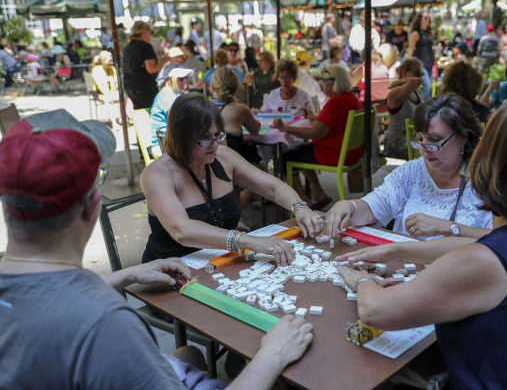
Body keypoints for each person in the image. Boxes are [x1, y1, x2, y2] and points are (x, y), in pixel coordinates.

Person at [0, 108, 314, 390]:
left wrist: (124, 275)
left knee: (189, 355)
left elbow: (45, 298)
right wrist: (271, 356)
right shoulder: (107, 323)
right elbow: (181, 230)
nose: (214, 144)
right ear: (93, 205)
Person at [335, 98, 507, 390]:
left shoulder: (486, 261)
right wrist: (396, 248)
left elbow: (376, 311)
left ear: (489, 162)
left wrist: (362, 280)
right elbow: (464, 248)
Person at [141, 93, 323, 265]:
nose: (214, 144)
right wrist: (250, 241)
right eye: (205, 138)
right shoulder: (156, 174)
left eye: (218, 135)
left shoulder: (223, 157)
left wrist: (300, 207)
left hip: (219, 261)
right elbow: (182, 230)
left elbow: (271, 187)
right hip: (170, 268)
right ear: (181, 137)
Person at [325, 93, 492, 240]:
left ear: (463, 136)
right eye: (420, 139)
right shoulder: (412, 172)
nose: (424, 149)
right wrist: (350, 207)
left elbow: (501, 241)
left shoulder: (487, 182)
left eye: (434, 140)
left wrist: (448, 227)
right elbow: (372, 209)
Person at [274, 65, 361, 210]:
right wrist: (314, 117)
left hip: (335, 154)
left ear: (335, 82)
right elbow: (333, 123)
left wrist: (285, 128)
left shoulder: (335, 102)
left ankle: (304, 203)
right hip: (351, 152)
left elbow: (315, 132)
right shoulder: (351, 98)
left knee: (284, 159)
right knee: (301, 152)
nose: (322, 84)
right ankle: (320, 194)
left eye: (324, 81)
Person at [211, 67, 263, 213]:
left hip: (207, 164)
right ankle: (235, 214)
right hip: (230, 165)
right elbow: (256, 130)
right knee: (258, 169)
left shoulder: (203, 107)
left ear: (212, 87)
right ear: (236, 88)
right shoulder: (239, 109)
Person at [384, 57, 424, 159]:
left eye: (421, 72)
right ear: (405, 73)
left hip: (412, 139)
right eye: (417, 72)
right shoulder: (395, 92)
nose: (420, 75)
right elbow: (418, 80)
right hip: (397, 142)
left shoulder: (417, 91)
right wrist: (401, 81)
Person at [123, 21, 169, 110]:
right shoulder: (145, 46)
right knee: (152, 111)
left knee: (139, 112)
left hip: (130, 85)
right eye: (151, 31)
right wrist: (166, 60)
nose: (151, 34)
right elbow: (151, 69)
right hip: (144, 86)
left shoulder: (128, 46)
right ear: (145, 31)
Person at [150, 67, 192, 158]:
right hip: (164, 144)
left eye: (186, 78)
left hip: (167, 141)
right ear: (170, 80)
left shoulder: (171, 94)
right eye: (181, 79)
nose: (185, 81)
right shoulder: (167, 97)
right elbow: (177, 123)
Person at [407, 11, 435, 99]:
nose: (428, 20)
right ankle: (423, 105)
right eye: (425, 18)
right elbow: (411, 50)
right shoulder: (415, 33)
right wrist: (407, 64)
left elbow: (430, 47)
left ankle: (424, 103)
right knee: (427, 86)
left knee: (429, 86)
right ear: (420, 20)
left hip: (430, 63)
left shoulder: (430, 32)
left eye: (428, 18)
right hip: (420, 64)